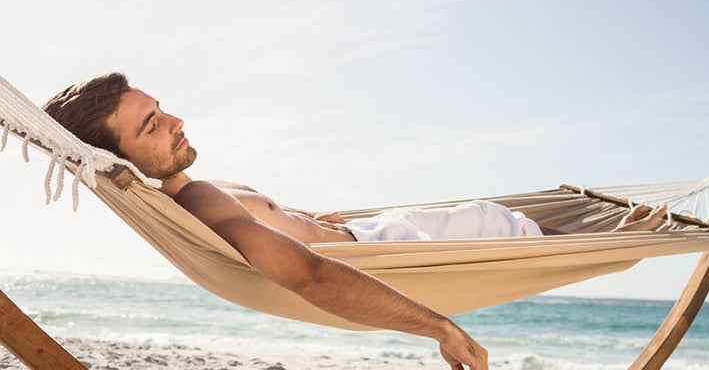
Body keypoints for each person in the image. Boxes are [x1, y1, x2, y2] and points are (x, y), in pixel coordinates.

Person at [43, 72, 666, 370]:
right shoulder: (197, 200)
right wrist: (438, 326)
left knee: (506, 223)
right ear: (121, 157)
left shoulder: (199, 191)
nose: (176, 120)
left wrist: (309, 218)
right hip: (388, 253)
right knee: (507, 228)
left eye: (160, 107)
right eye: (152, 125)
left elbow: (280, 229)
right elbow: (310, 276)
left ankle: (616, 234)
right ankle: (624, 233)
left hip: (376, 238)